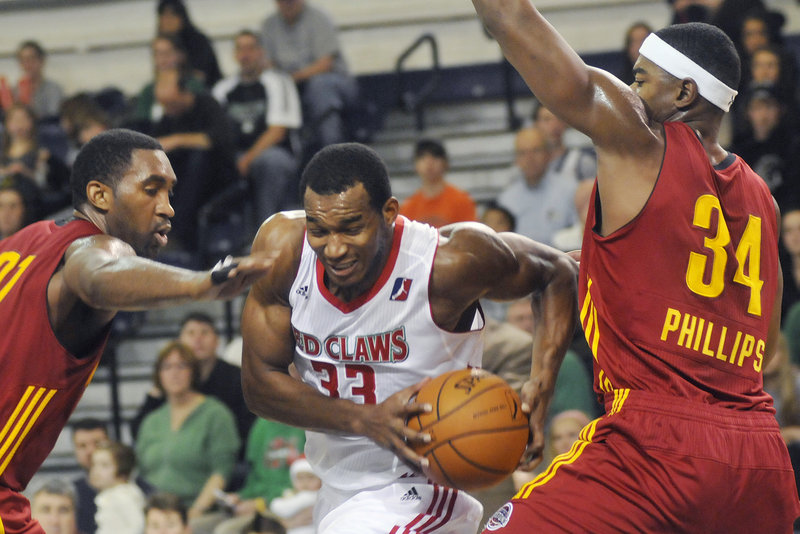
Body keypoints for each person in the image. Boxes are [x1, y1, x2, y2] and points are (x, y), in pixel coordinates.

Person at [472, 0, 800, 530]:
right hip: (760, 459)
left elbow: (511, 18)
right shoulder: (763, 201)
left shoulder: (641, 136)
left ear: (684, 94)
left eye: (641, 79)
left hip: (657, 444)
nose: (632, 92)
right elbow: (763, 345)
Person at [239, 142, 579, 532]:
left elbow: (556, 273)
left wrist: (541, 386)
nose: (333, 248)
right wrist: (365, 419)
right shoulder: (284, 251)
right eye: (319, 230)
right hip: (338, 484)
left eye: (351, 228)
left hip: (428, 479)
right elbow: (258, 385)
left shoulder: (449, 262)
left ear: (388, 213)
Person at [0, 128, 271, 534]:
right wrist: (202, 283)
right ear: (100, 195)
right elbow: (98, 273)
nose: (168, 208)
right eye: (151, 189)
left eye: (170, 193)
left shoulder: (23, 243)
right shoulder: (97, 248)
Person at [136, 341, 241, 521]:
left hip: (200, 512)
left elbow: (221, 472)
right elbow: (142, 474)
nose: (174, 373)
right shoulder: (151, 421)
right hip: (156, 512)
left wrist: (195, 512)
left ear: (193, 371)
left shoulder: (215, 413)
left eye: (181, 366)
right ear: (158, 375)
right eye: (167, 367)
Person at [213, 29, 303, 222]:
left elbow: (277, 132)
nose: (245, 54)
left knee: (270, 162)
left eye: (251, 48)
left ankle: (265, 228)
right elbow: (216, 132)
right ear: (235, 55)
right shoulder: (222, 89)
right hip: (235, 154)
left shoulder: (279, 81)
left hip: (275, 152)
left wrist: (247, 159)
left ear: (261, 52)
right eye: (240, 49)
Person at [131, 312, 254, 446]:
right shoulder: (173, 379)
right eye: (191, 333)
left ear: (217, 341)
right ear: (179, 341)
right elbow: (139, 431)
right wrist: (154, 396)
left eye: (205, 333)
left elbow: (249, 426)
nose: (198, 339)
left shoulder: (236, 377)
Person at [151, 68, 238, 249]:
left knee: (198, 159)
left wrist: (177, 140)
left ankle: (177, 235)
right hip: (181, 182)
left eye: (172, 104)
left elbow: (218, 140)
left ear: (185, 93)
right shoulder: (169, 117)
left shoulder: (208, 105)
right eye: (165, 106)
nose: (168, 110)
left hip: (218, 178)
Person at [260, 0, 359, 150]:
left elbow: (326, 63)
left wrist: (291, 78)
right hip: (292, 86)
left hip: (333, 83)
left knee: (320, 87)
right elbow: (267, 64)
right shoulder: (269, 25)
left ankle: (333, 148)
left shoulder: (319, 18)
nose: (287, 4)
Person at [192, 417, 306, 534]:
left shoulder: (305, 425)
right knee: (195, 526)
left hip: (286, 505)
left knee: (226, 531)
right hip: (255, 503)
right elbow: (253, 477)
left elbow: (306, 483)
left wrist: (260, 503)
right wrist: (240, 497)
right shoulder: (262, 423)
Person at [496, 126, 577, 246]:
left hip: (562, 260)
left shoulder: (571, 191)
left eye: (536, 150)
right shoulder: (506, 200)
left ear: (549, 154)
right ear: (516, 159)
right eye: (523, 153)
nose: (530, 158)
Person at [399, 138, 477, 228]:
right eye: (422, 157)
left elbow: (470, 237)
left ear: (445, 163)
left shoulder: (462, 201)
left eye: (435, 156)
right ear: (415, 165)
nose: (429, 162)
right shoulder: (408, 207)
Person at [156, 0, 223, 88]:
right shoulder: (159, 44)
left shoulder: (198, 41)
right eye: (163, 16)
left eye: (172, 15)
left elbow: (200, 77)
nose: (167, 21)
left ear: (182, 17)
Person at [89, 440, 146, 534]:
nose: (96, 471)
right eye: (94, 464)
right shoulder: (110, 494)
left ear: (123, 471)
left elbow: (138, 526)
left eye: (104, 465)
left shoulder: (124, 495)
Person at [3, 40, 64, 122]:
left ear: (42, 60)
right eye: (23, 60)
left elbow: (54, 117)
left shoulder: (53, 89)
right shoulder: (15, 90)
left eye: (31, 59)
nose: (27, 64)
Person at [70, 418, 110, 534]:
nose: (90, 451)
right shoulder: (71, 493)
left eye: (97, 443)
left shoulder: (135, 487)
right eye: (82, 446)